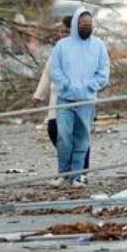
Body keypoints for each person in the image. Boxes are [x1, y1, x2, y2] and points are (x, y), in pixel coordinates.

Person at [49, 7, 110, 187]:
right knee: (64, 137)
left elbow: (103, 73)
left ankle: (76, 176)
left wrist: (89, 87)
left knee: (82, 138)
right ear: (76, 24)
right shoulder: (62, 46)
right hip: (65, 100)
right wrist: (67, 85)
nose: (86, 27)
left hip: (87, 100)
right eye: (83, 24)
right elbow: (55, 70)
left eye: (89, 25)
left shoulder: (99, 46)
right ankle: (63, 173)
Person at [33, 16, 91, 171]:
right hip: (56, 99)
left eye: (66, 32)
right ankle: (68, 169)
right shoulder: (58, 50)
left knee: (79, 136)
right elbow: (47, 73)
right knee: (54, 131)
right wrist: (39, 95)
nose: (62, 35)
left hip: (78, 101)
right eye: (61, 32)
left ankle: (81, 171)